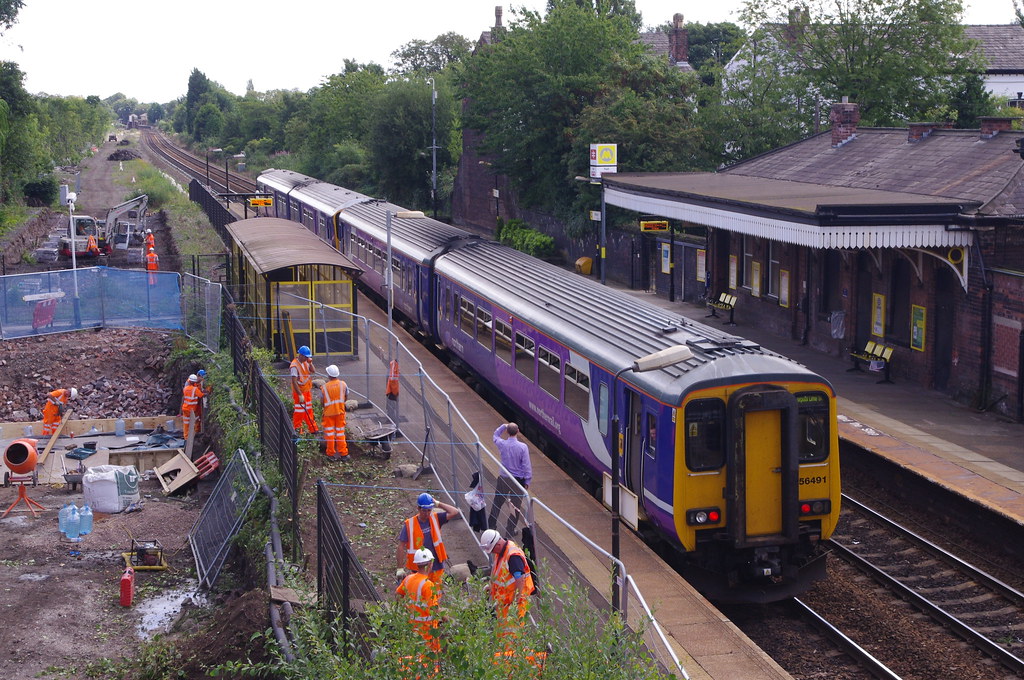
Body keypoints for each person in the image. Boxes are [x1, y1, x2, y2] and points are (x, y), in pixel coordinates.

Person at [396, 493, 461, 585]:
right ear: (418, 508)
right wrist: (400, 568)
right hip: (419, 567)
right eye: (424, 511)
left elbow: (454, 512)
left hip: (436, 565)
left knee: (435, 593)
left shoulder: (435, 518)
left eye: (429, 510)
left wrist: (438, 503)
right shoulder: (409, 525)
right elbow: (401, 546)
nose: (426, 513)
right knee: (421, 592)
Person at [479, 528, 535, 631]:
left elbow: (520, 578)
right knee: (503, 634)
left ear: (498, 545)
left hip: (513, 604)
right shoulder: (501, 552)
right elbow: (500, 574)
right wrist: (491, 587)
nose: (492, 553)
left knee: (512, 635)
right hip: (505, 602)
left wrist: (517, 599)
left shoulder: (513, 556)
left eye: (492, 550)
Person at [488, 422, 532, 537]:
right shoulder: (523, 447)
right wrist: (527, 481)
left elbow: (495, 436)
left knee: (497, 502)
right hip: (517, 481)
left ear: (507, 432)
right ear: (518, 431)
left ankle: (491, 526)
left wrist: (503, 426)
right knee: (515, 507)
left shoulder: (502, 444)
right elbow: (526, 465)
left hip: (503, 478)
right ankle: (510, 530)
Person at [395, 548, 441, 653]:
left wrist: (405, 609)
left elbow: (397, 595)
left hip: (411, 629)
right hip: (427, 632)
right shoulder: (428, 585)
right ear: (430, 564)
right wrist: (447, 619)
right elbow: (435, 609)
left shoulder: (408, 579)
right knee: (430, 661)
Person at [320, 364, 348, 459]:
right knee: (340, 433)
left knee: (330, 434)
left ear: (328, 375)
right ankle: (343, 454)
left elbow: (322, 402)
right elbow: (346, 396)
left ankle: (330, 454)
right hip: (340, 412)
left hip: (328, 414)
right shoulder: (343, 384)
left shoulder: (324, 387)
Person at [289, 345, 318, 435]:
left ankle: (313, 429)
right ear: (301, 355)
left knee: (309, 410)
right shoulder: (294, 366)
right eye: (306, 357)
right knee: (299, 412)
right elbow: (294, 382)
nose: (307, 358)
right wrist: (299, 394)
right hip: (300, 393)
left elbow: (313, 371)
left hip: (307, 391)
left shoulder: (306, 362)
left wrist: (310, 362)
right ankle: (297, 431)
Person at [181, 374, 208, 441]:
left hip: (185, 408)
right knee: (196, 421)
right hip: (192, 410)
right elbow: (201, 395)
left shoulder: (185, 389)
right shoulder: (195, 389)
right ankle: (196, 435)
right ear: (195, 382)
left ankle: (186, 438)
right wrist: (206, 393)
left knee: (186, 423)